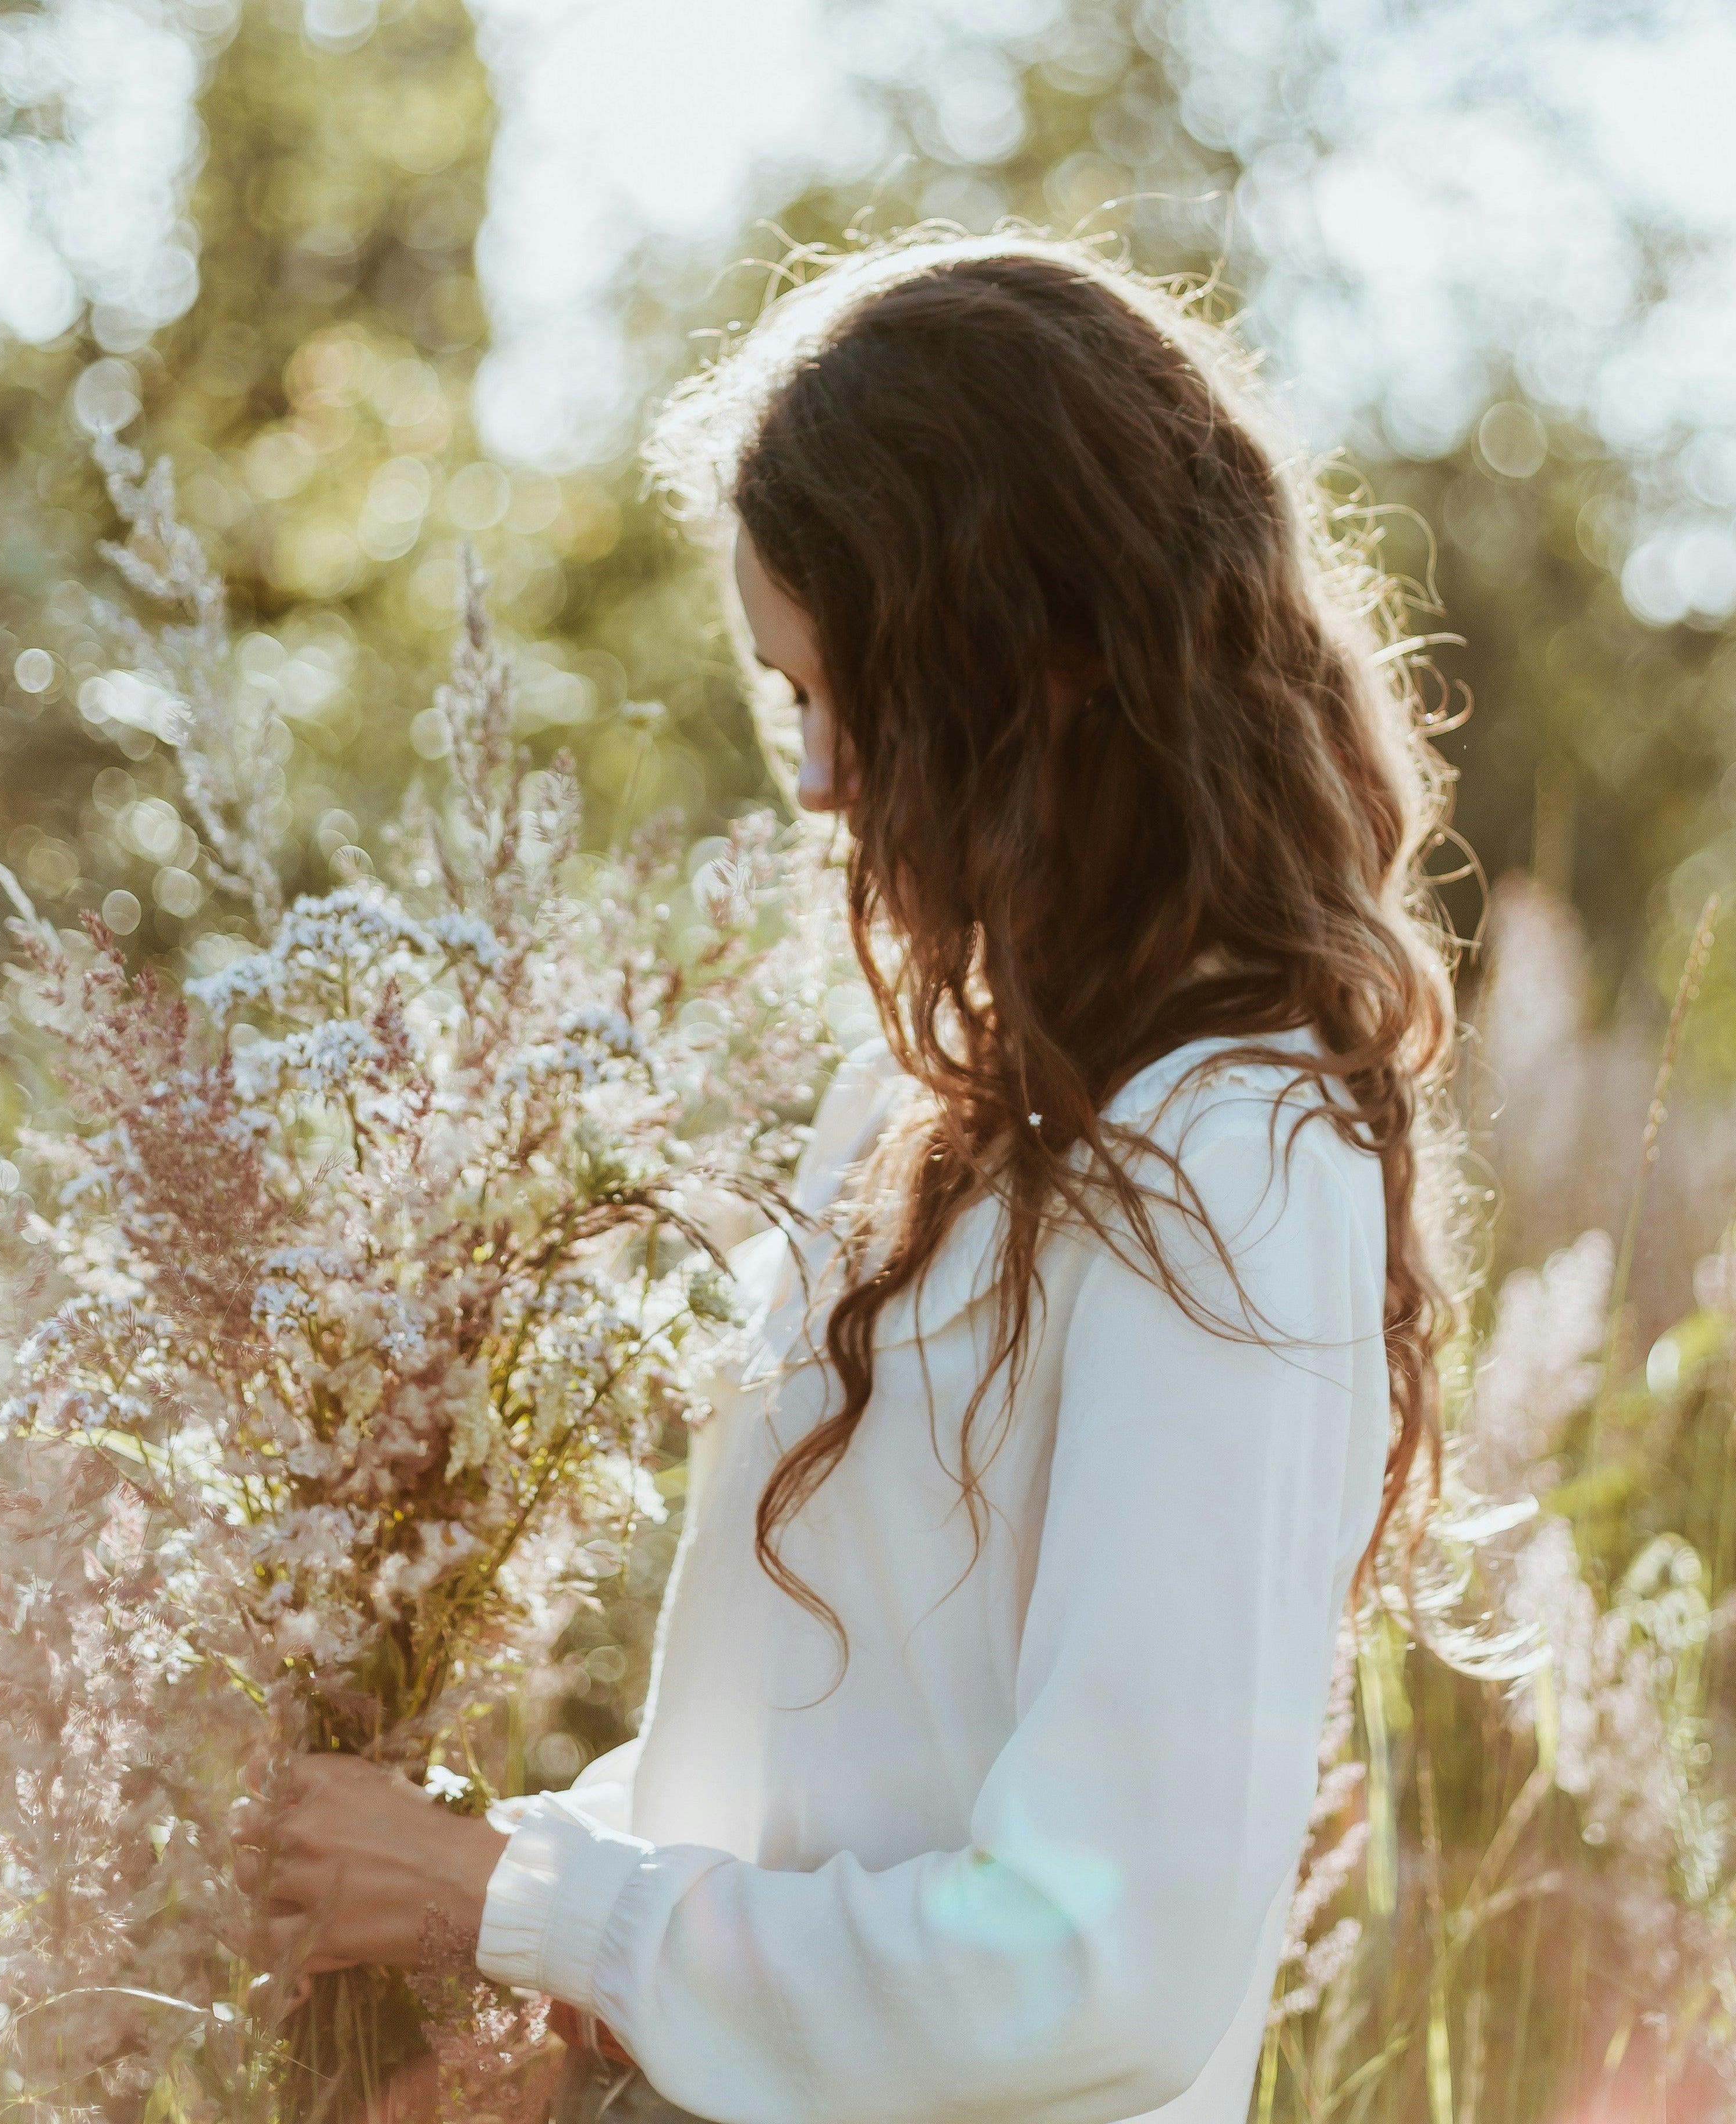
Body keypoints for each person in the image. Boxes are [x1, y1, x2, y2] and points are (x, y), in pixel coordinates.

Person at [244, 231, 1460, 2124]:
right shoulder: (945, 1103)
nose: (814, 786)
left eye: (844, 699)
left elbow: (1098, 1962)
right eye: (780, 701)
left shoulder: (1238, 1155)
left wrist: (534, 1910)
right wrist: (499, 1930)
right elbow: (822, 1768)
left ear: (1046, 670)